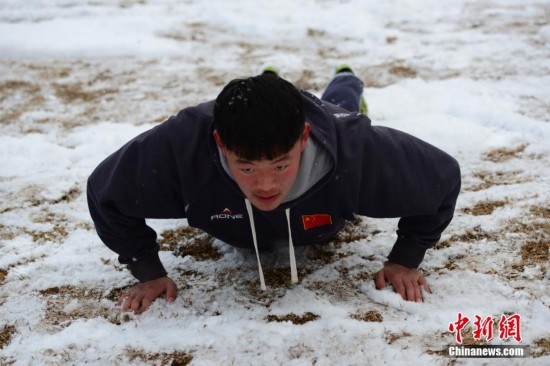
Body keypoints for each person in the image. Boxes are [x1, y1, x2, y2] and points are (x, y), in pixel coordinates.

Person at [87, 65, 461, 314]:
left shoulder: (357, 151)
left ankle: (346, 80)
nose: (265, 185)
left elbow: (442, 177)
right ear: (219, 142)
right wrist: (147, 270)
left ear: (302, 139)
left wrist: (405, 259)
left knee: (338, 106)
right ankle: (268, 81)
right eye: (246, 167)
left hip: (324, 161)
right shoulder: (180, 148)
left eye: (280, 165)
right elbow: (105, 193)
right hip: (238, 227)